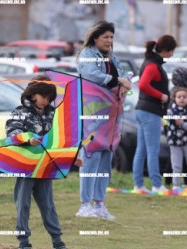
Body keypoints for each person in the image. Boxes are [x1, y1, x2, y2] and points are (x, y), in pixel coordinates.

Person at [6, 74, 82, 249]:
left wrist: (72, 157)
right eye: (44, 96)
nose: (46, 100)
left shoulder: (53, 113)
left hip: (46, 167)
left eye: (50, 98)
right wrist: (27, 139)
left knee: (48, 205)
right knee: (23, 205)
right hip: (25, 168)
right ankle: (24, 242)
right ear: (34, 93)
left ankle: (57, 242)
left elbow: (61, 139)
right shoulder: (19, 111)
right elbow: (12, 132)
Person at [75, 21, 131, 219]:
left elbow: (123, 76)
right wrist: (117, 81)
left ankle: (99, 204)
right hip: (93, 115)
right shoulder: (87, 55)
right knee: (91, 156)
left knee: (106, 159)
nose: (109, 41)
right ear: (95, 38)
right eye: (106, 37)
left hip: (112, 117)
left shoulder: (112, 56)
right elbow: (93, 76)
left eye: (112, 37)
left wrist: (125, 83)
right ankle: (85, 204)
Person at [133, 35, 176, 192]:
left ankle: (138, 185)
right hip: (150, 112)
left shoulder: (151, 62)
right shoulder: (153, 65)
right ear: (165, 50)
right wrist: (162, 96)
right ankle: (157, 185)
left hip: (142, 110)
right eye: (171, 51)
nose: (172, 54)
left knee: (142, 150)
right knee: (152, 150)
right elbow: (143, 84)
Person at [167, 66, 187, 187]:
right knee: (184, 155)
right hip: (178, 128)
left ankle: (169, 179)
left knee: (174, 156)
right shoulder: (180, 94)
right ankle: (186, 180)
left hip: (173, 128)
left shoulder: (172, 91)